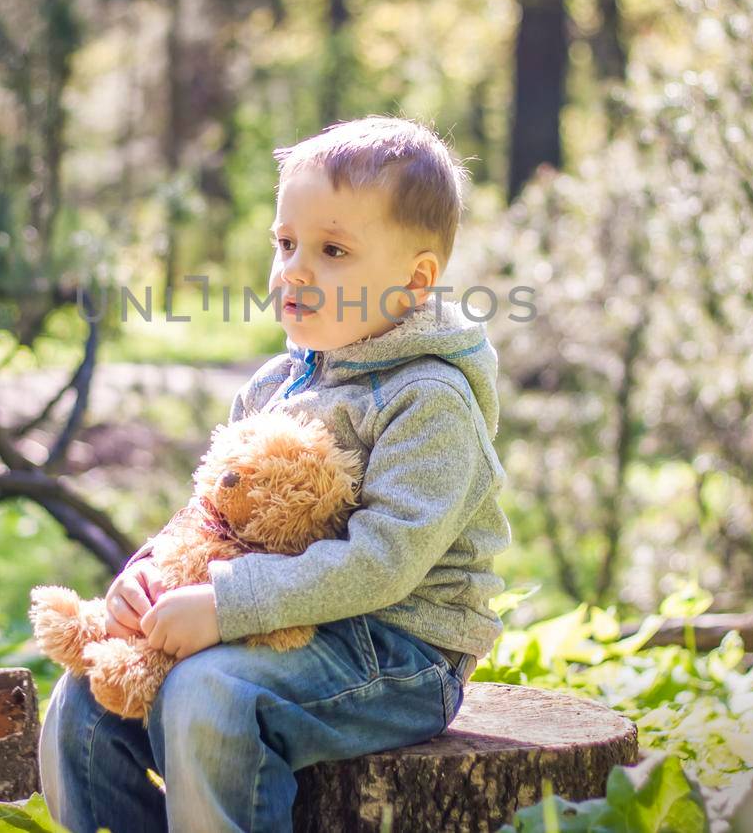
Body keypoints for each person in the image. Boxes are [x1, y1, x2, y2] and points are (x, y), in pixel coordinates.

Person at [38, 116, 512, 832]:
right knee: (86, 695)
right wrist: (151, 576)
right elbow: (211, 513)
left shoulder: (430, 398)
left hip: (398, 651)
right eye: (286, 243)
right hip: (274, 620)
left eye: (332, 250)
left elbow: (383, 563)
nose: (294, 269)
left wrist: (226, 606)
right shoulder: (274, 383)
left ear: (416, 280)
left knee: (209, 692)